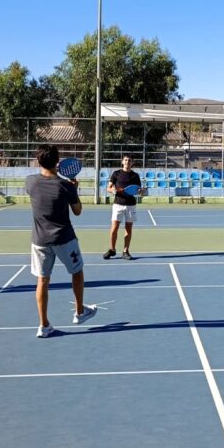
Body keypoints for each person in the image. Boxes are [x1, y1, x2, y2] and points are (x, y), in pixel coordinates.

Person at [25, 144, 97, 338]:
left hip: (40, 241)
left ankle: (43, 325)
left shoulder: (30, 182)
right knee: (77, 272)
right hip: (64, 238)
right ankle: (80, 312)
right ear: (57, 161)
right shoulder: (66, 186)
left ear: (38, 161)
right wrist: (74, 190)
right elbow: (78, 211)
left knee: (42, 280)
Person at [104, 154, 145, 260]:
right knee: (114, 228)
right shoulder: (116, 174)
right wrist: (112, 190)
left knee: (128, 229)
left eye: (129, 160)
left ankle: (125, 251)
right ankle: (112, 249)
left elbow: (138, 191)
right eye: (126, 160)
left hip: (130, 205)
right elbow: (108, 188)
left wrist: (141, 191)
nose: (127, 162)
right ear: (122, 162)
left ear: (132, 163)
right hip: (118, 204)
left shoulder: (135, 176)